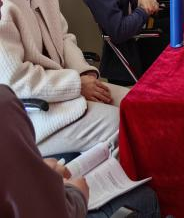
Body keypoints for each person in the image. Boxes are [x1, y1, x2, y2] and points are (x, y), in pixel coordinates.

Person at [0, 0, 128, 157]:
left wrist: (84, 73)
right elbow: (17, 81)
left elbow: (65, 38)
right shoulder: (4, 5)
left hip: (68, 91)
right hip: (40, 115)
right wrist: (75, 84)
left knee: (134, 104)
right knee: (122, 126)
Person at [0, 84, 162, 217]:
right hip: (51, 103)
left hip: (64, 90)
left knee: (133, 105)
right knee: (146, 198)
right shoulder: (4, 104)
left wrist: (85, 74)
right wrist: (77, 193)